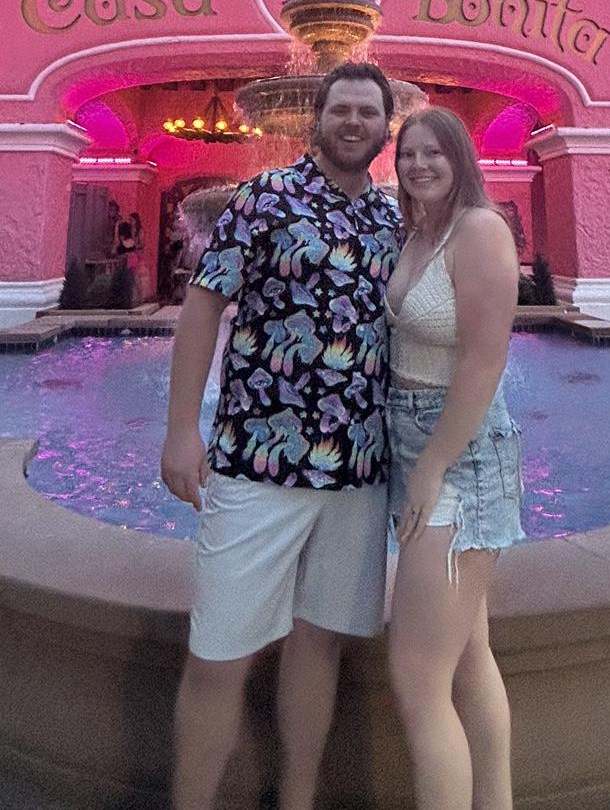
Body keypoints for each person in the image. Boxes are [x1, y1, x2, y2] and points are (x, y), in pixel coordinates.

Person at [161, 61, 403, 810]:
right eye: (342, 110)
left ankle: (297, 799)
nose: (354, 122)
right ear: (317, 119)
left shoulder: (393, 219)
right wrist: (180, 433)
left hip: (357, 473)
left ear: (384, 125)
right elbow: (204, 308)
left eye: (368, 111)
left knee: (319, 642)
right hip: (256, 464)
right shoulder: (265, 198)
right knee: (218, 656)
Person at [384, 108, 523, 810]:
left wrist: (433, 465)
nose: (419, 165)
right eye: (408, 153)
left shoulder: (480, 230)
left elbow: (484, 361)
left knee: (416, 679)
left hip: (458, 452)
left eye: (434, 152)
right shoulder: (419, 231)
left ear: (461, 157)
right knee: (468, 659)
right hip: (411, 437)